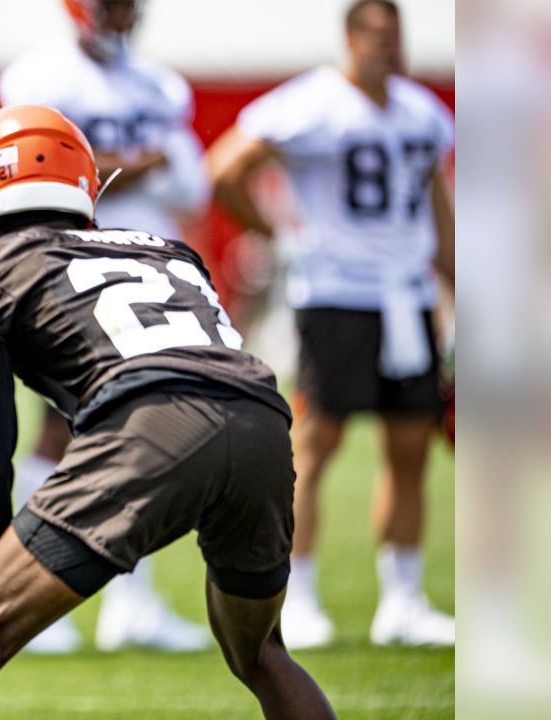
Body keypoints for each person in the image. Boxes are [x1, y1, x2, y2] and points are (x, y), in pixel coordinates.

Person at [0, 103, 334, 720]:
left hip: (148, 420)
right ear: (85, 187)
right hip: (262, 420)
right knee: (261, 652)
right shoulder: (168, 251)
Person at [207, 0, 454, 649]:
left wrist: (456, 288)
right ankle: (300, 596)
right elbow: (225, 169)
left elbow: (438, 208)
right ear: (350, 38)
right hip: (337, 295)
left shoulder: (423, 112)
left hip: (406, 295)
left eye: (395, 35)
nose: (389, 47)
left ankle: (402, 600)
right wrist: (278, 237)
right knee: (315, 447)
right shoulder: (309, 103)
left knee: (410, 447)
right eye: (376, 35)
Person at [0, 0, 211, 653]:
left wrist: (125, 164)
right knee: (63, 430)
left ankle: (128, 599)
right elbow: (34, 181)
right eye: (110, 3)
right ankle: (25, 593)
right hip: (73, 268)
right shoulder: (35, 78)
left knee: (137, 432)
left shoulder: (158, 83)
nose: (121, 15)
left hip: (147, 272)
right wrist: (133, 164)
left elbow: (192, 187)